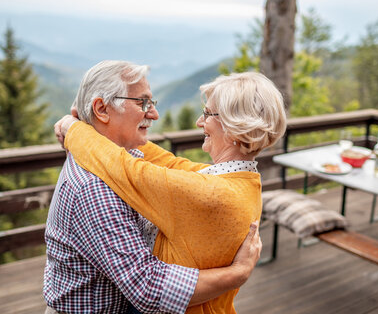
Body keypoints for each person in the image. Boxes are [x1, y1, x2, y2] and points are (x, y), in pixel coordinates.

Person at [55, 70, 287, 314]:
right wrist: (116, 131)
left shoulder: (211, 194)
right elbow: (167, 162)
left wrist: (73, 129)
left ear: (232, 127)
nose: (199, 122)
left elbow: (124, 169)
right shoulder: (242, 182)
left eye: (207, 114)